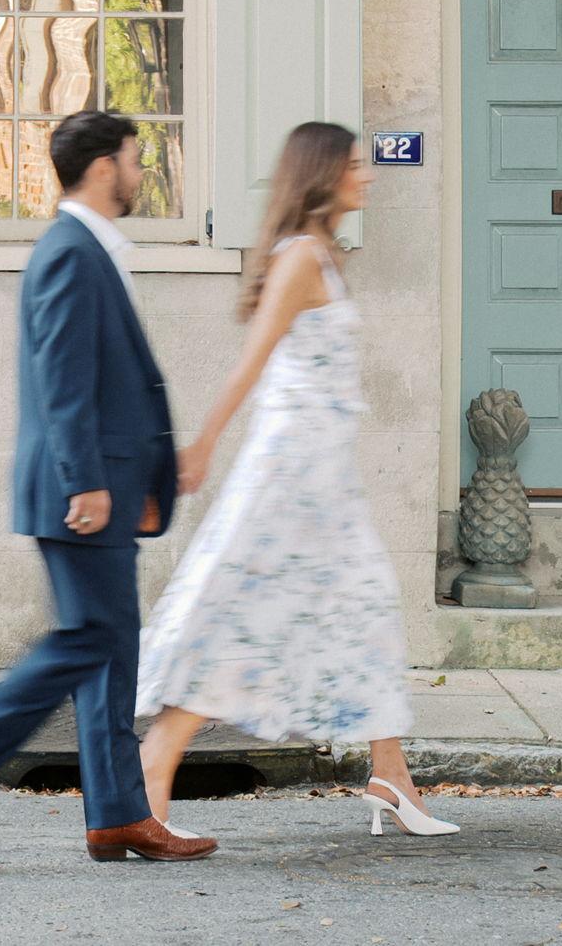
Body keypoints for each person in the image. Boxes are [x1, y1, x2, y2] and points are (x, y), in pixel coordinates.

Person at [0, 111, 218, 868]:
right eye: (134, 159)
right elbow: (64, 379)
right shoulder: (72, 252)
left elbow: (110, 381)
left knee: (111, 648)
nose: (140, 172)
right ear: (104, 168)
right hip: (81, 490)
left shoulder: (89, 249)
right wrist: (89, 483)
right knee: (91, 638)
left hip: (104, 483)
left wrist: (142, 474)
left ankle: (117, 817)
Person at [134, 121, 459, 840]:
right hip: (290, 470)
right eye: (355, 165)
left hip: (323, 473)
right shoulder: (301, 258)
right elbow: (253, 362)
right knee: (245, 608)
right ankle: (157, 758)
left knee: (363, 606)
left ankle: (390, 774)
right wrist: (203, 445)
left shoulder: (324, 254)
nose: (367, 176)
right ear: (322, 175)